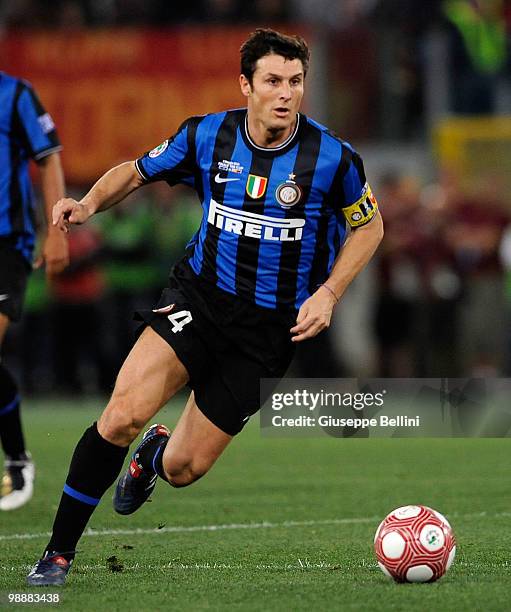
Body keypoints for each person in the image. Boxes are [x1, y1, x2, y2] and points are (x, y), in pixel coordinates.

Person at [27, 28, 383, 585]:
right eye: (272, 81)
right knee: (121, 415)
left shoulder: (334, 159)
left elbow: (370, 227)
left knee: (185, 469)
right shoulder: (206, 135)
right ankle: (57, 553)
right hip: (199, 298)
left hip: (269, 331)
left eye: (295, 81)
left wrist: (329, 292)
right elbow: (138, 170)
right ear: (246, 84)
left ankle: (155, 458)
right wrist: (89, 203)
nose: (286, 93)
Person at [0, 72, 68, 511]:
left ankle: (17, 459)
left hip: (6, 244)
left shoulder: (15, 94)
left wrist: (56, 230)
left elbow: (49, 158)